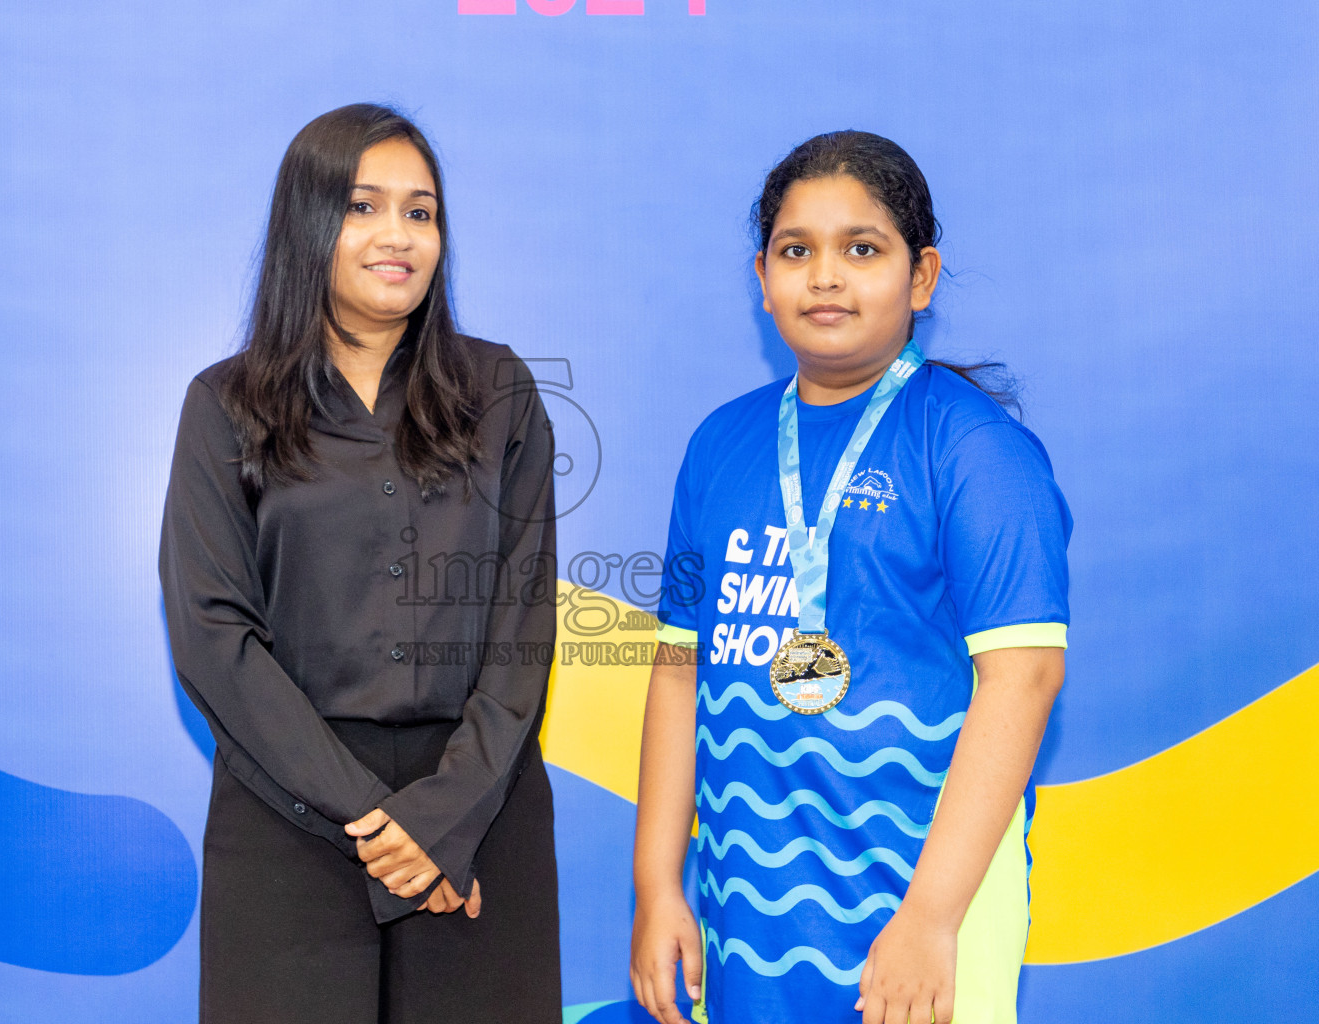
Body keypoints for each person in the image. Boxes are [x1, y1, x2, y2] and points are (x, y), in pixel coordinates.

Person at [630, 131, 1071, 1024]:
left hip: (919, 926)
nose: (825, 277)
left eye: (861, 249)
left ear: (922, 278)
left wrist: (932, 921)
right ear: (762, 277)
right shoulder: (718, 444)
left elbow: (1024, 679)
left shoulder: (976, 449)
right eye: (797, 252)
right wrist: (656, 887)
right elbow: (678, 671)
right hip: (748, 925)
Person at [159, 103, 561, 1024]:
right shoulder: (224, 404)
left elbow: (522, 621)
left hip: (477, 809)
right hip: (287, 811)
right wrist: (381, 822)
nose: (399, 236)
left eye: (421, 212)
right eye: (364, 206)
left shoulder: (501, 392)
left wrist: (443, 815)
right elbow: (213, 636)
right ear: (309, 225)